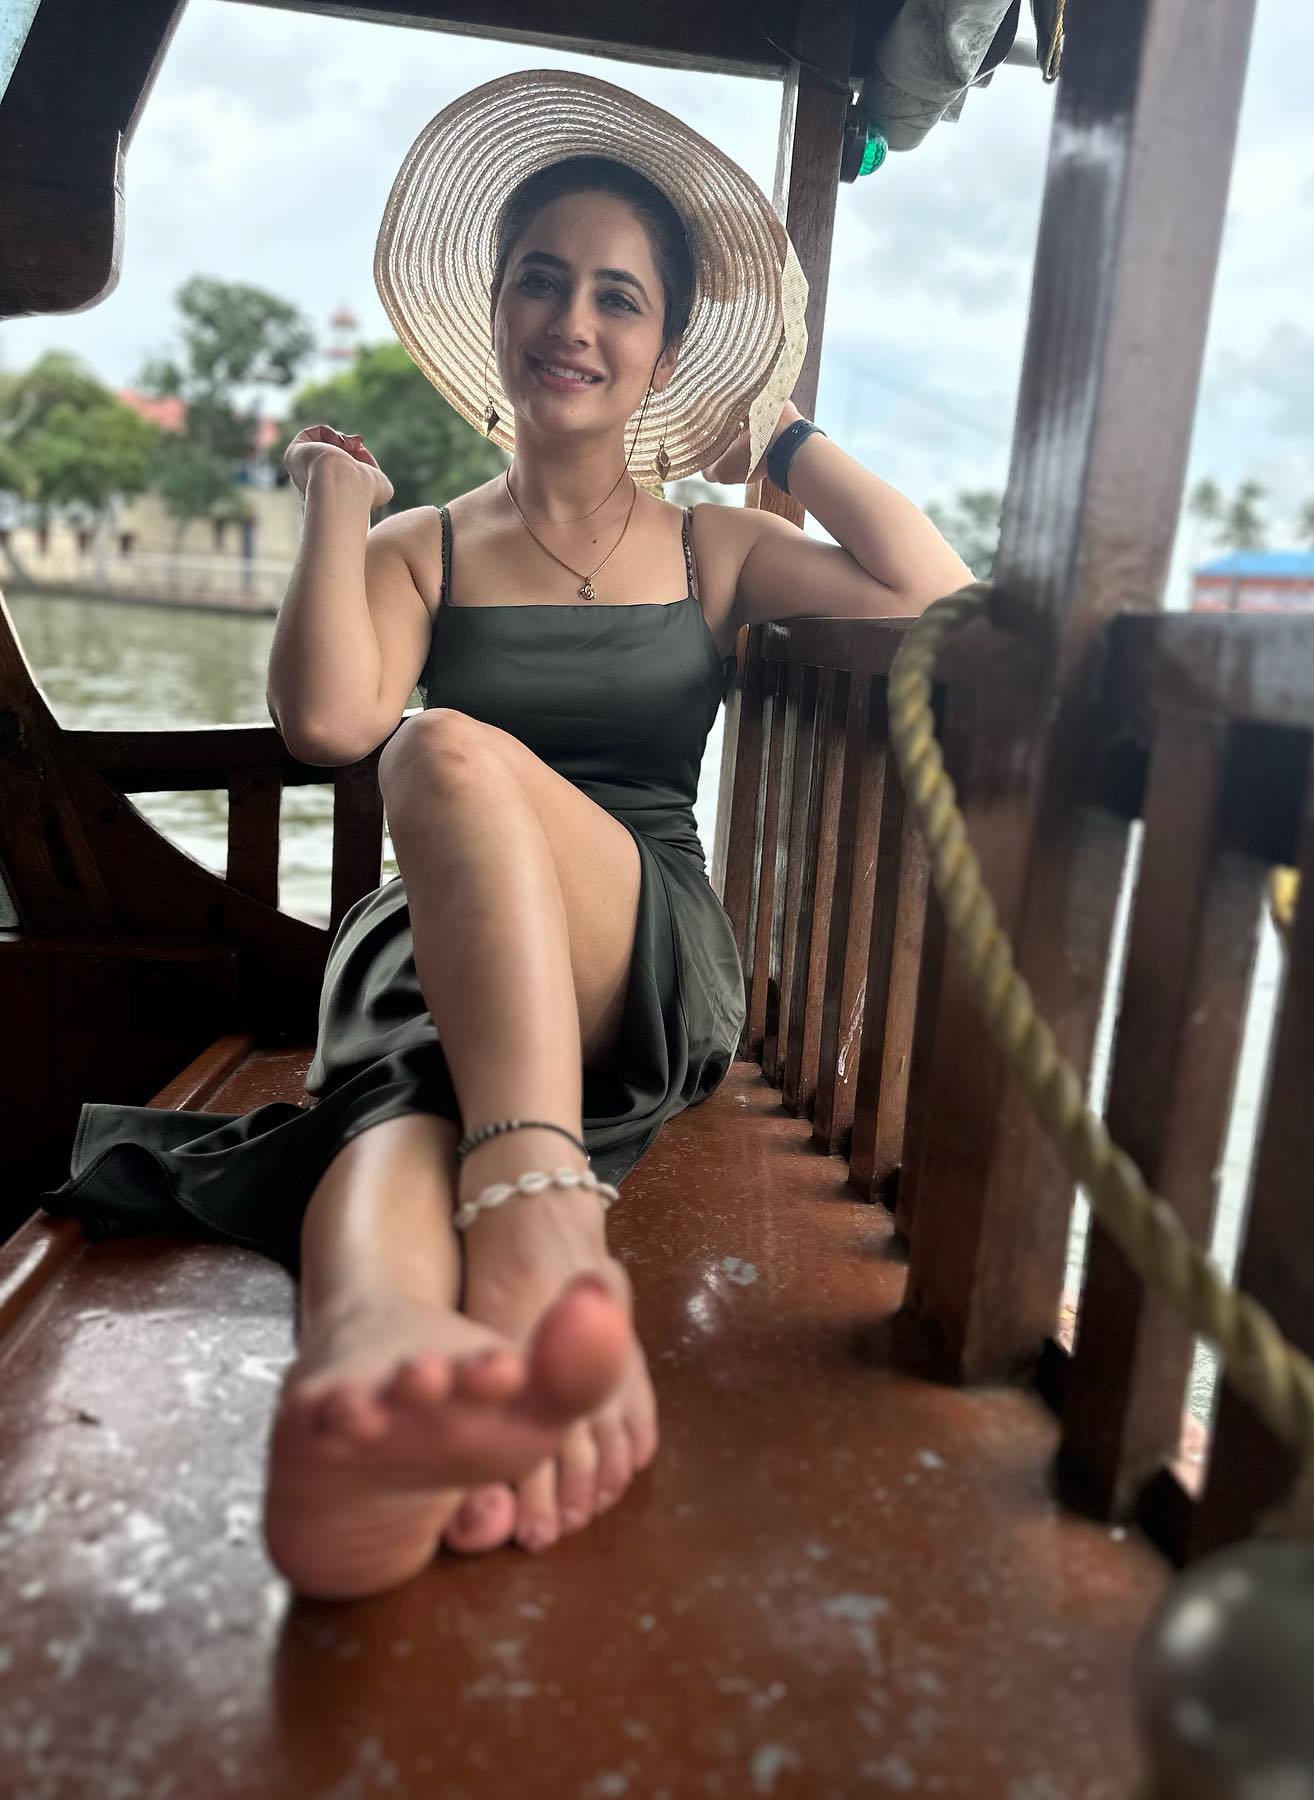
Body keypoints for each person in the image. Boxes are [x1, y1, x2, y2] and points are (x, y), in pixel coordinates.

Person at [37, 69, 973, 1600]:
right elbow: (325, 721)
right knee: (396, 1110)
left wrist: (782, 436)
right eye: (541, 279)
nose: (573, 321)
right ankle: (369, 1371)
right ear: (494, 308)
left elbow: (940, 601)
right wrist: (336, 505)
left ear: (663, 345)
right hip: (441, 953)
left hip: (632, 945)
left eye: (619, 296)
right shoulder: (427, 547)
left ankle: (538, 1210)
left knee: (447, 752)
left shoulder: (715, 546)